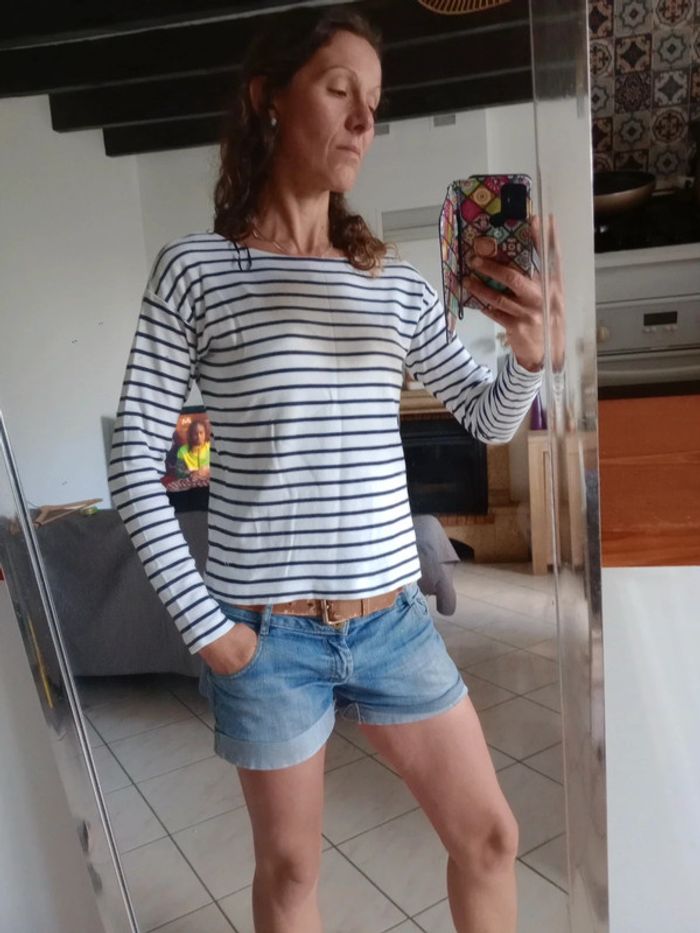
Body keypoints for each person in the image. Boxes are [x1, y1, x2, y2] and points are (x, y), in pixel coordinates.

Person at [108, 6, 546, 932]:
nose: (363, 119)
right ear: (268, 98)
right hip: (266, 636)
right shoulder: (196, 270)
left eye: (374, 101)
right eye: (339, 88)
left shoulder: (393, 281)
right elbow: (135, 459)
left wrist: (528, 357)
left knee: (489, 837)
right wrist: (209, 631)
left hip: (393, 620)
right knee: (293, 872)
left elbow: (485, 416)